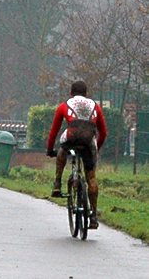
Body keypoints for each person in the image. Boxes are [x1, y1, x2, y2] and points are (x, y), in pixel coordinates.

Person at [46, 80, 107, 229]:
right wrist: (95, 149)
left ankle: (57, 183)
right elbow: (103, 133)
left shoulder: (64, 105)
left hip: (72, 136)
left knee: (62, 149)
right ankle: (93, 215)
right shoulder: (95, 106)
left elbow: (54, 130)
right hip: (88, 140)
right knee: (91, 178)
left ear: (71, 93)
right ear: (87, 94)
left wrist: (50, 149)